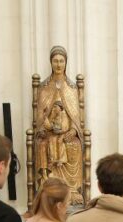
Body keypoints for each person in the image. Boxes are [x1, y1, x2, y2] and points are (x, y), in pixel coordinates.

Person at [36, 45, 84, 205]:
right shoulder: (44, 88)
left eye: (61, 61)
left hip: (67, 133)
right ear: (51, 63)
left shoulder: (71, 88)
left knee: (75, 145)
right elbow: (41, 115)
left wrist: (73, 130)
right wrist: (42, 128)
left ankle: (72, 190)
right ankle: (48, 186)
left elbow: (75, 116)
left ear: (66, 63)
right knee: (43, 144)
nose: (58, 64)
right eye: (55, 61)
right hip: (50, 133)